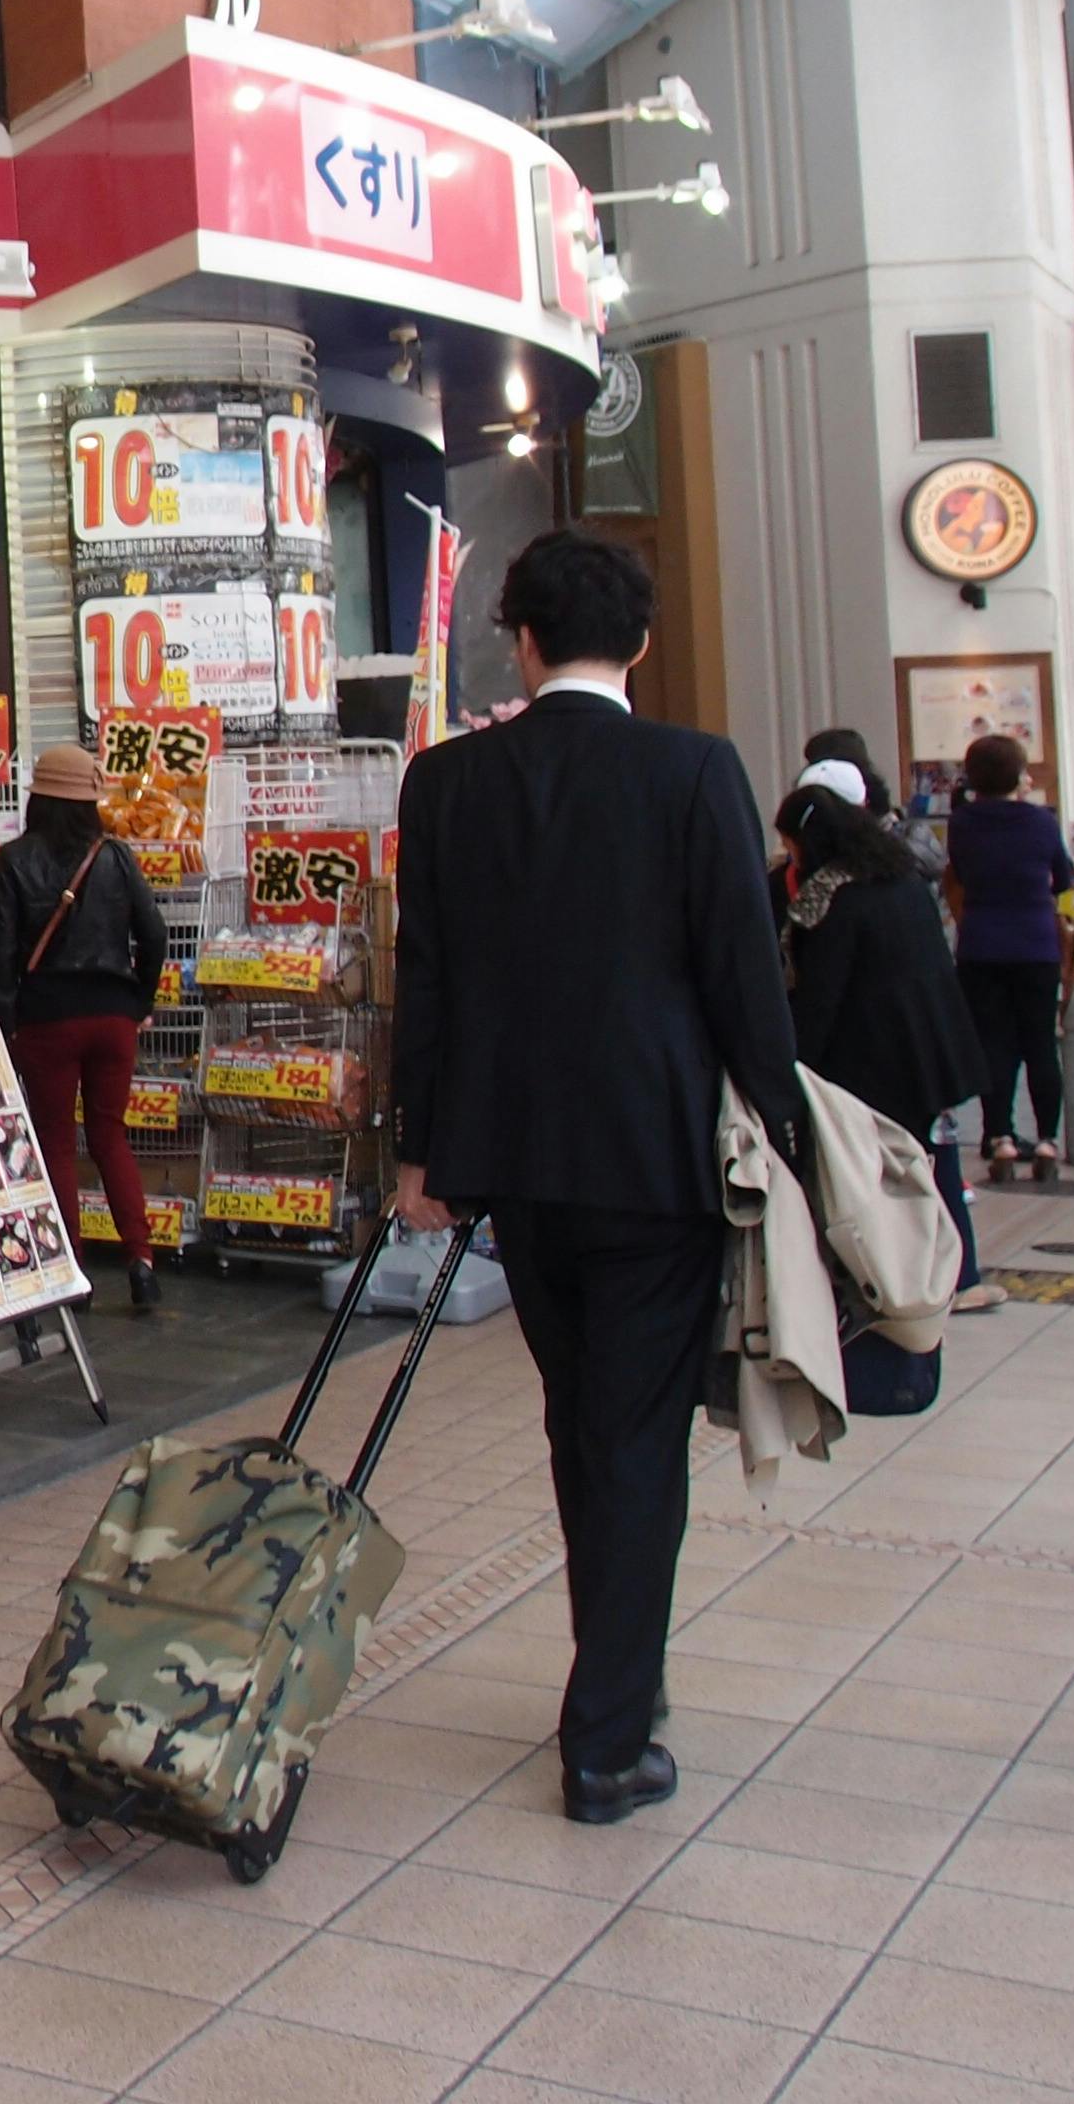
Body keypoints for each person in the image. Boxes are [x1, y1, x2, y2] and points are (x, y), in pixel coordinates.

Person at [390, 530, 802, 1827]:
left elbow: (430, 978)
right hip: (654, 1161)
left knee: (586, 1425)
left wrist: (421, 1152)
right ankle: (609, 1742)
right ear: (641, 645)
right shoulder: (693, 771)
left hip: (517, 1170)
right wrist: (787, 1135)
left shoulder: (447, 783)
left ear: (518, 639)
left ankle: (616, 1681)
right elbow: (744, 971)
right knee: (633, 1440)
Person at [776, 760, 997, 1307]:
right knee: (932, 1165)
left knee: (884, 1179)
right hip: (931, 1049)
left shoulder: (835, 898)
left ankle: (901, 1278)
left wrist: (792, 1067)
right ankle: (957, 1272)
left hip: (877, 1064)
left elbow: (821, 997)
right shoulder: (897, 874)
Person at [0, 744, 171, 1311]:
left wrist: (8, 1027)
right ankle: (140, 1261)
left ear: (38, 797)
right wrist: (137, 1000)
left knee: (58, 1144)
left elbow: (4, 956)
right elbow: (156, 934)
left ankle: (77, 1275)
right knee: (111, 1135)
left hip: (49, 1020)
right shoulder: (115, 855)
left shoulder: (14, 859)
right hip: (113, 1017)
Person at [947, 732, 1071, 1182]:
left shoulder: (962, 824)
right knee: (1040, 1042)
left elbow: (959, 871)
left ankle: (999, 1137)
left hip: (981, 943)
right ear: (1019, 774)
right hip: (1035, 943)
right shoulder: (1039, 822)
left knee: (993, 1043)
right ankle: (1046, 1141)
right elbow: (1060, 878)